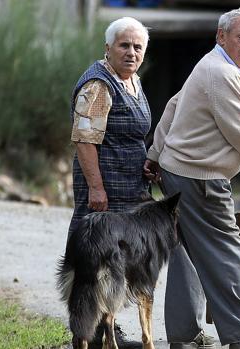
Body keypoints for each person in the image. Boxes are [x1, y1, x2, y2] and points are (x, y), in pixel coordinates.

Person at [144, 7, 240, 349]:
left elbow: (173, 106)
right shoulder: (221, 72)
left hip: (177, 172)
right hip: (199, 179)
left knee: (187, 255)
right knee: (227, 252)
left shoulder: (210, 65)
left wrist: (155, 153)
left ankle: (184, 335)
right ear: (220, 37)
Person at [67, 17, 151, 348]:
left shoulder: (132, 81)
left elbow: (129, 134)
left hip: (129, 189)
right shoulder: (99, 85)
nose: (131, 52)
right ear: (108, 48)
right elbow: (85, 139)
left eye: (137, 46)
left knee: (117, 262)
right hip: (105, 191)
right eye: (124, 45)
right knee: (95, 263)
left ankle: (107, 330)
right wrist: (96, 189)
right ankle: (90, 334)